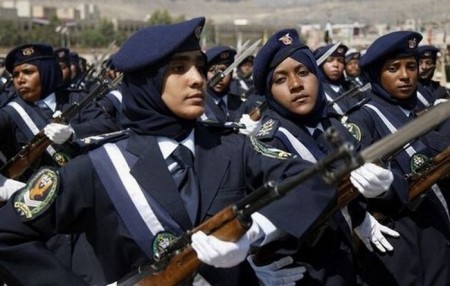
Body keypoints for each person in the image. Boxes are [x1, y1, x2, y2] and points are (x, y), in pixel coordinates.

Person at [0, 17, 337, 285]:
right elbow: (9, 234)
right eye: (178, 69)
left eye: (197, 66)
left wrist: (254, 231)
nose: (197, 79)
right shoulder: (98, 166)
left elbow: (312, 180)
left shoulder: (233, 147)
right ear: (146, 82)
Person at [248, 27, 400, 286]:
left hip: (355, 264)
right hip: (310, 274)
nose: (296, 85)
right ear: (268, 91)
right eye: (280, 79)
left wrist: (378, 194)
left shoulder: (335, 125)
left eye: (303, 72)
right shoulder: (267, 142)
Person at [346, 30, 450, 285]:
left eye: (411, 66)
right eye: (394, 68)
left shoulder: (425, 110)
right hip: (400, 242)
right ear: (377, 75)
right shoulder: (364, 118)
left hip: (437, 235)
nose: (405, 76)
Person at [314, 44, 364, 116]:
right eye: (330, 60)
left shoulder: (351, 86)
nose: (336, 64)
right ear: (321, 64)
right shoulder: (317, 91)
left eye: (340, 60)